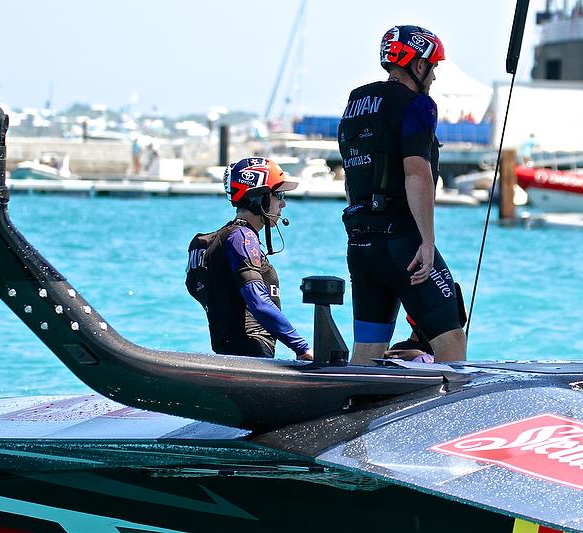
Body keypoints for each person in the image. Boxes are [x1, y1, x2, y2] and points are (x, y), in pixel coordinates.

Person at [337, 25, 466, 365]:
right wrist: (426, 241)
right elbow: (416, 171)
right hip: (403, 244)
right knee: (451, 340)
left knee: (366, 353)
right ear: (418, 65)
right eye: (433, 66)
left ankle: (352, 414)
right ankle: (451, 416)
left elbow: (352, 180)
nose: (434, 76)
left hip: (361, 244)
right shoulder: (419, 105)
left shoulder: (355, 104)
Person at [186, 157, 313, 361]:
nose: (283, 203)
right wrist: (302, 348)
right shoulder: (242, 237)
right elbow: (258, 302)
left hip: (230, 355)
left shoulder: (218, 241)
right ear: (260, 197)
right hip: (252, 353)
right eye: (278, 194)